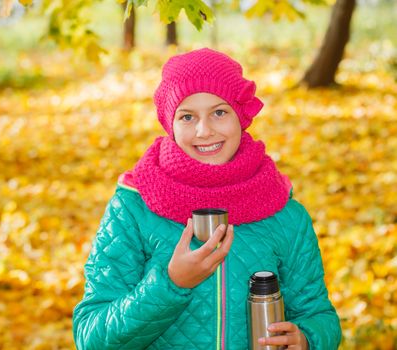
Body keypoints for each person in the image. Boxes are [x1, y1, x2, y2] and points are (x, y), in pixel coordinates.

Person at [72, 48, 341, 350]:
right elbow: (91, 337)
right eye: (187, 116)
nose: (204, 130)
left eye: (219, 112)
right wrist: (171, 284)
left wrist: (308, 339)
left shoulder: (284, 212)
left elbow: (319, 315)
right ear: (169, 124)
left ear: (241, 116)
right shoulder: (133, 208)